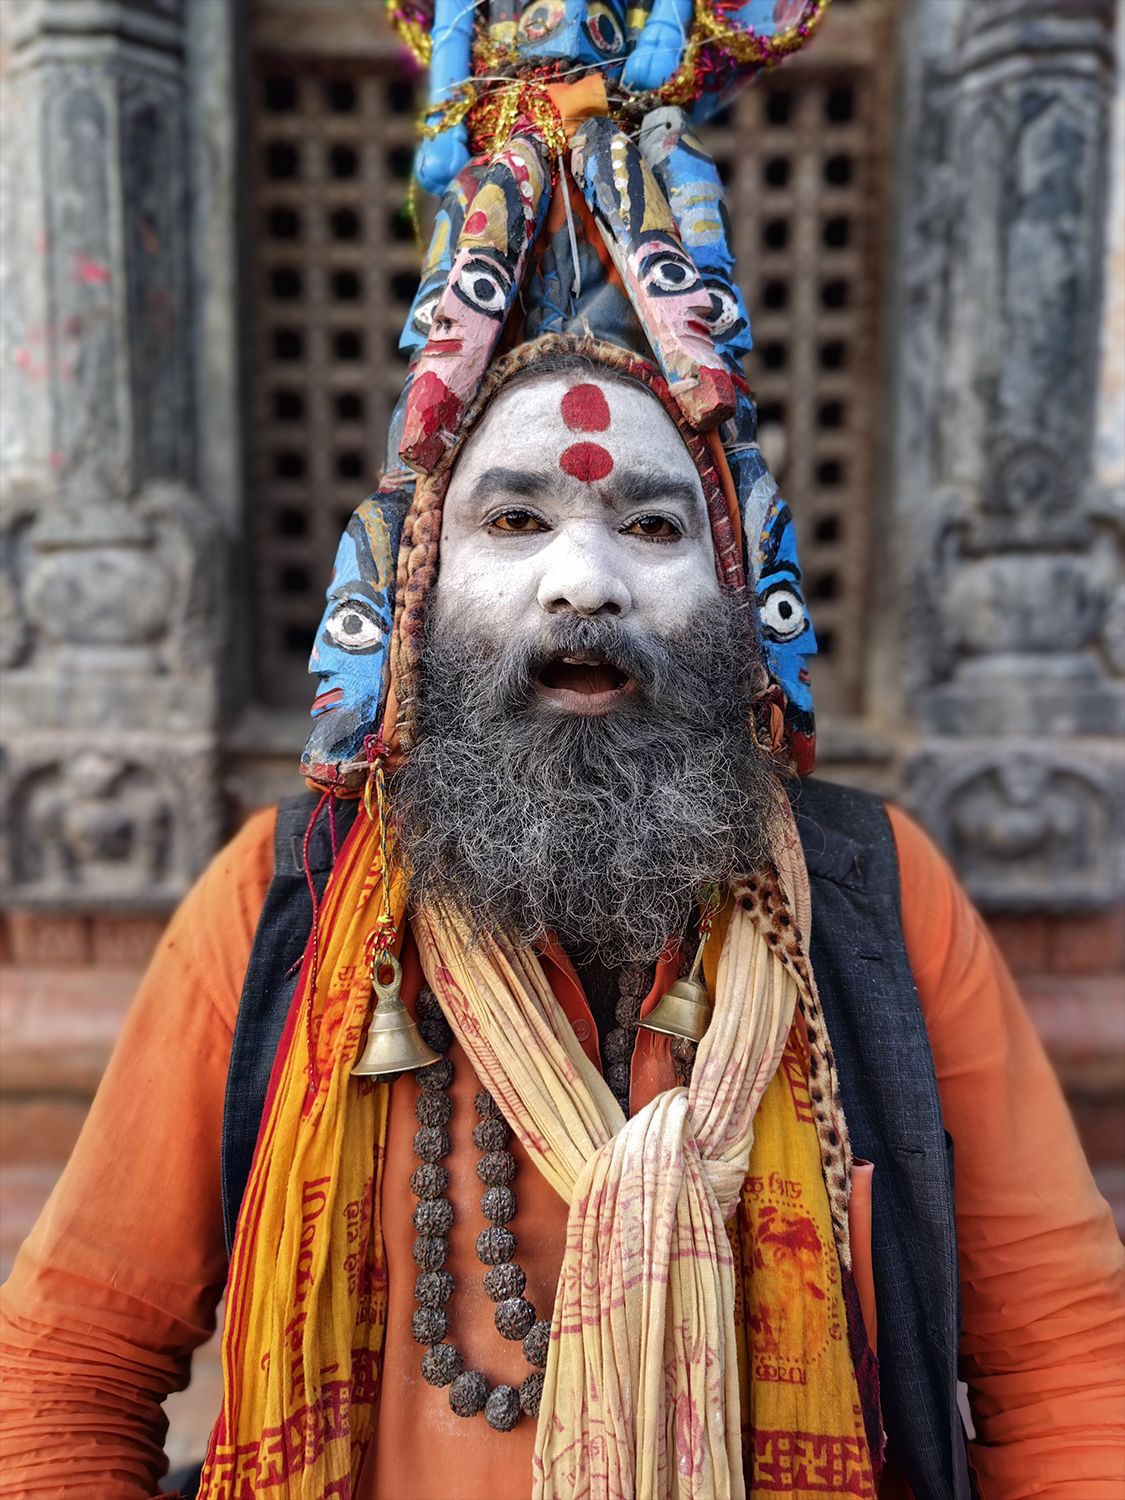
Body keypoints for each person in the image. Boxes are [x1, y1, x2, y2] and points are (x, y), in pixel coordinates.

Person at [2, 5, 1123, 1498]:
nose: (581, 582)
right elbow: (68, 1368)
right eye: (515, 521)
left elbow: (1065, 1362)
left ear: (738, 593)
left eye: (652, 526)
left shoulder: (876, 899)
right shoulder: (281, 902)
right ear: (413, 602)